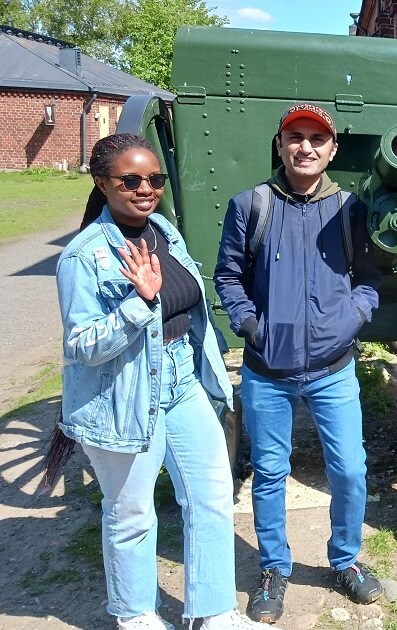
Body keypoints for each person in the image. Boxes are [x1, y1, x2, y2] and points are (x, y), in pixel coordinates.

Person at [57, 133, 269, 629]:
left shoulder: (163, 232)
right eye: (131, 180)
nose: (146, 188)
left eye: (155, 179)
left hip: (181, 381)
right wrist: (138, 304)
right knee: (131, 513)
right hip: (121, 395)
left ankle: (213, 612)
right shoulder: (83, 256)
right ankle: (135, 617)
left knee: (213, 497)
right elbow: (82, 345)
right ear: (103, 183)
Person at [213, 103, 383, 623]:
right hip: (268, 371)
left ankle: (346, 559)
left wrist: (354, 315)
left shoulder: (351, 208)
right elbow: (227, 277)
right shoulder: (251, 207)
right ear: (280, 144)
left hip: (333, 369)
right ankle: (273, 569)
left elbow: (371, 277)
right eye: (295, 137)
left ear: (332, 149)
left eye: (316, 139)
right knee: (268, 473)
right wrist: (251, 325)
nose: (305, 147)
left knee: (350, 470)